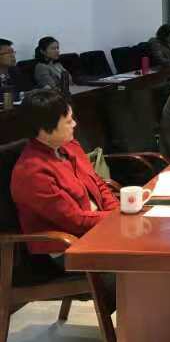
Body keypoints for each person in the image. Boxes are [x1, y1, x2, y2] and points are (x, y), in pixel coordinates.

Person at [11, 90, 119, 257]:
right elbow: (75, 221)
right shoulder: (32, 173)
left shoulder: (69, 145)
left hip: (99, 225)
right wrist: (117, 218)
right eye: (68, 121)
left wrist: (118, 212)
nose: (74, 124)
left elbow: (98, 183)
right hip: (66, 244)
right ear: (44, 130)